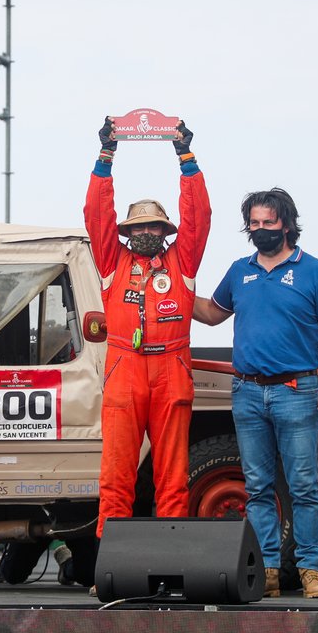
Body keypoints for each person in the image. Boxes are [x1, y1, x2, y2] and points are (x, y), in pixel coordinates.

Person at [193, 188, 318, 600]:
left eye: (268, 223)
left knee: (304, 486)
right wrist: (170, 289)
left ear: (287, 224)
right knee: (258, 488)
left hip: (297, 389)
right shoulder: (240, 270)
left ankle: (311, 569)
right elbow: (211, 314)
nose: (260, 230)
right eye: (254, 223)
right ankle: (269, 570)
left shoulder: (313, 270)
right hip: (247, 391)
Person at [84, 117, 212, 549]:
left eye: (153, 227)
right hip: (125, 369)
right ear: (127, 232)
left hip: (172, 367)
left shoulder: (182, 263)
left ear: (165, 232)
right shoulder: (111, 262)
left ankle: (170, 560)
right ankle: (111, 563)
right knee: (116, 474)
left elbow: (200, 218)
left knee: (173, 477)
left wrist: (186, 160)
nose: (144, 233)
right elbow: (96, 215)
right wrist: (105, 158)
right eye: (137, 227)